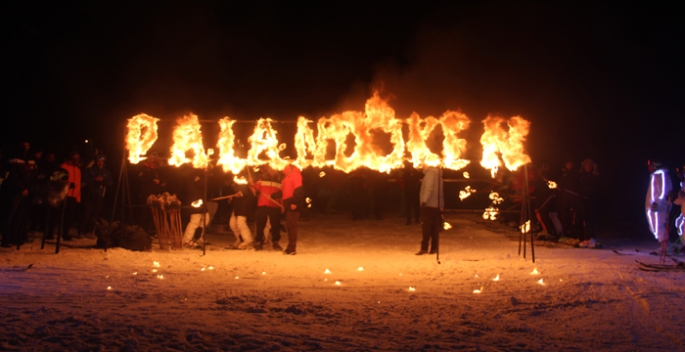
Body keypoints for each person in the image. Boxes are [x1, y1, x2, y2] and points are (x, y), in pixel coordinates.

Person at [249, 165, 283, 251]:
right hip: (262, 204)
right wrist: (251, 183)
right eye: (270, 169)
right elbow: (255, 189)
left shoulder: (279, 180)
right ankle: (259, 242)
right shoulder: (262, 179)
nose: (272, 171)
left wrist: (282, 205)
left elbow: (281, 194)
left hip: (274, 205)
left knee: (275, 225)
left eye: (273, 169)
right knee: (260, 224)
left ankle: (275, 242)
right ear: (268, 170)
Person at [80, 155, 113, 237]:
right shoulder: (91, 170)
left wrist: (103, 180)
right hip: (90, 194)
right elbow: (83, 178)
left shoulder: (106, 172)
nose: (100, 162)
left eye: (102, 161)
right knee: (86, 213)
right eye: (99, 161)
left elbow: (110, 183)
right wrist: (94, 179)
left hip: (100, 195)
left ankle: (90, 231)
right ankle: (81, 231)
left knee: (95, 214)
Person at [416, 163, 444, 255]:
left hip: (429, 204)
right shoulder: (438, 175)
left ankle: (424, 248)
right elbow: (441, 192)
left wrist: (424, 201)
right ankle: (434, 248)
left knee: (426, 227)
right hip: (436, 205)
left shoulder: (430, 174)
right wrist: (441, 205)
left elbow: (429, 188)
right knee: (434, 228)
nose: (422, 165)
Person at [645, 160, 672, 249]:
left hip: (659, 206)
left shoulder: (661, 174)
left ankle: (665, 245)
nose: (649, 168)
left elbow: (663, 190)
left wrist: (657, 202)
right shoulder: (654, 175)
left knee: (658, 225)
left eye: (651, 165)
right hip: (652, 206)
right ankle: (663, 243)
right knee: (653, 227)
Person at [182, 169, 210, 247]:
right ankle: (187, 240)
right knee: (194, 221)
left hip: (201, 200)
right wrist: (205, 175)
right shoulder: (195, 173)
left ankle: (198, 237)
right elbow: (200, 184)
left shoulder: (198, 173)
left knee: (206, 219)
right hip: (195, 200)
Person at [281, 164, 304, 255]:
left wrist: (294, 202)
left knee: (292, 226)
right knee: (290, 226)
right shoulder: (287, 176)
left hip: (293, 203)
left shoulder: (295, 174)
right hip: (288, 203)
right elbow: (285, 190)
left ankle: (292, 248)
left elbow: (299, 190)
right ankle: (290, 247)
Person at [59, 151, 82, 241]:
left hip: (73, 196)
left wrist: (78, 197)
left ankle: (65, 233)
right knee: (60, 214)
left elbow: (78, 185)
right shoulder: (63, 167)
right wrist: (67, 185)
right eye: (75, 157)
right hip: (63, 194)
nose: (76, 159)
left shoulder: (78, 170)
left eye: (78, 158)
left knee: (69, 216)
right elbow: (58, 179)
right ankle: (50, 232)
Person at [577, 159, 600, 248]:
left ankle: (592, 238)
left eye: (590, 165)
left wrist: (589, 195)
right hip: (583, 201)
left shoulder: (595, 176)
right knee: (584, 220)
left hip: (592, 201)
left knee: (590, 220)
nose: (588, 167)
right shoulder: (582, 176)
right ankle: (586, 238)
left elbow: (596, 188)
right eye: (586, 165)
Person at [227, 180, 255, 250]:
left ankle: (248, 241)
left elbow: (249, 193)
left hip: (244, 206)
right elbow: (234, 195)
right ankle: (240, 239)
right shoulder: (235, 183)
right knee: (232, 224)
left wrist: (241, 193)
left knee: (241, 223)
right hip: (236, 207)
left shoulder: (245, 181)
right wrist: (231, 199)